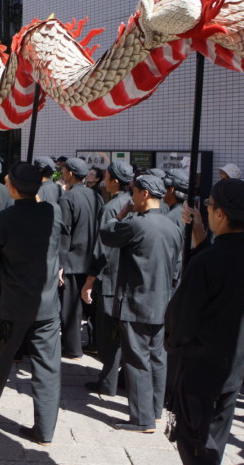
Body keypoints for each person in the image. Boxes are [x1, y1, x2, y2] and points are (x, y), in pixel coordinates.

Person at [166, 178, 244, 465]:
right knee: (214, 438)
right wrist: (199, 233)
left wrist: (173, 342)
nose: (207, 211)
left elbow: (181, 319)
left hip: (201, 368)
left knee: (195, 444)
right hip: (232, 365)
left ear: (220, 214)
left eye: (210, 207)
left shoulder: (208, 261)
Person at [0, 162, 63, 446]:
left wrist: (0, 280)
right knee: (48, 366)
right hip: (46, 304)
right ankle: (44, 429)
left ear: (12, 188)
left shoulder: (3, 219)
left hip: (14, 303)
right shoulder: (53, 213)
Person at [99, 174, 183, 432]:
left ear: (145, 194)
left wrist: (121, 212)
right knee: (157, 357)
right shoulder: (173, 226)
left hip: (136, 301)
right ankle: (155, 410)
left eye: (134, 191)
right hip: (162, 301)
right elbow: (177, 268)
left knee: (136, 360)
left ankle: (141, 418)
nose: (131, 196)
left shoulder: (137, 224)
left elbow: (107, 234)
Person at [81, 160, 134, 396]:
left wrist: (90, 279)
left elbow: (102, 247)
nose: (104, 181)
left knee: (108, 334)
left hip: (110, 277)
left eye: (107, 177)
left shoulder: (112, 207)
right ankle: (117, 377)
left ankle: (108, 380)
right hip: (128, 276)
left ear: (114, 181)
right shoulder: (133, 204)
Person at [57, 157, 103, 359]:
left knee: (71, 308)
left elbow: (64, 233)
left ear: (69, 173)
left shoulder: (67, 198)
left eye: (64, 170)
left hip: (73, 260)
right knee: (89, 306)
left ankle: (73, 348)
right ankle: (91, 343)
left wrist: (59, 263)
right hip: (92, 258)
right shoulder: (97, 197)